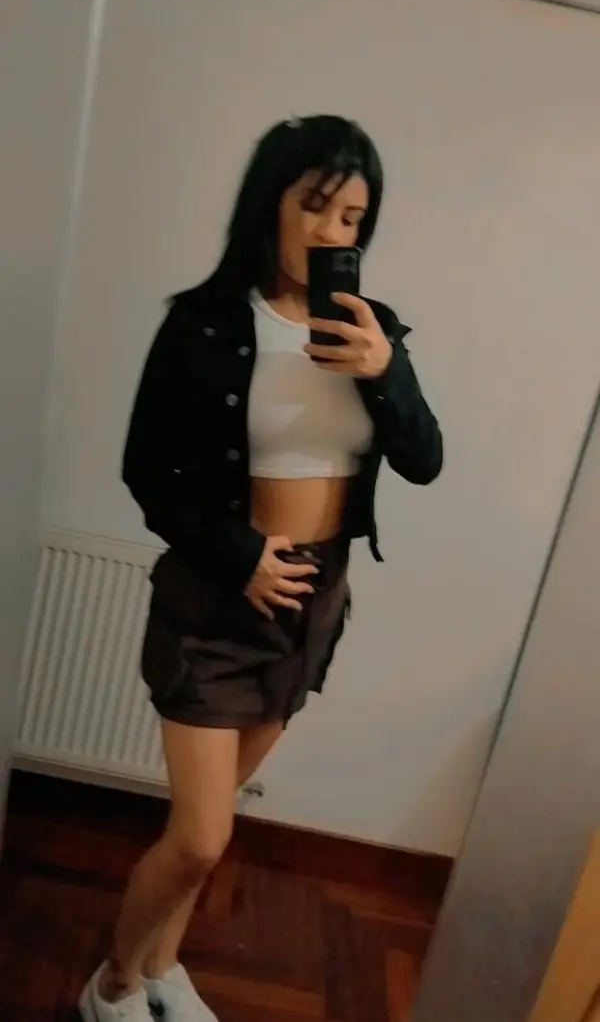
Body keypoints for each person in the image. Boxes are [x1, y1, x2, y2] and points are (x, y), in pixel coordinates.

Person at [79, 114, 443, 1022]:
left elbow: (425, 459)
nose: (332, 231)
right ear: (270, 201)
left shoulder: (372, 331)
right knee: (201, 837)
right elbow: (146, 473)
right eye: (315, 205)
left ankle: (164, 967)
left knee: (218, 823)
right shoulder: (203, 325)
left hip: (312, 607)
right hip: (216, 603)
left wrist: (386, 370)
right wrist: (242, 555)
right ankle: (113, 984)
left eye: (352, 217)